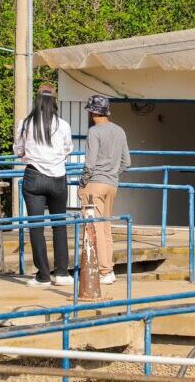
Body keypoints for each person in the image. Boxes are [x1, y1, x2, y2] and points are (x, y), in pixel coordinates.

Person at [14, 84, 74, 288]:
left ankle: (43, 275)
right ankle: (62, 273)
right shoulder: (63, 124)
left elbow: (18, 150)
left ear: (37, 100)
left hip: (34, 177)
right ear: (54, 100)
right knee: (59, 225)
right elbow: (68, 149)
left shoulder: (26, 123)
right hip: (58, 178)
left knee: (36, 227)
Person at [77, 95, 130, 285]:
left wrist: (82, 182)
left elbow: (90, 164)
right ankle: (109, 269)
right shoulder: (120, 130)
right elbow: (127, 162)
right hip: (111, 184)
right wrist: (113, 174)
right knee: (106, 227)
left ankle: (104, 270)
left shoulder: (94, 132)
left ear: (92, 112)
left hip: (95, 184)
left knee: (95, 227)